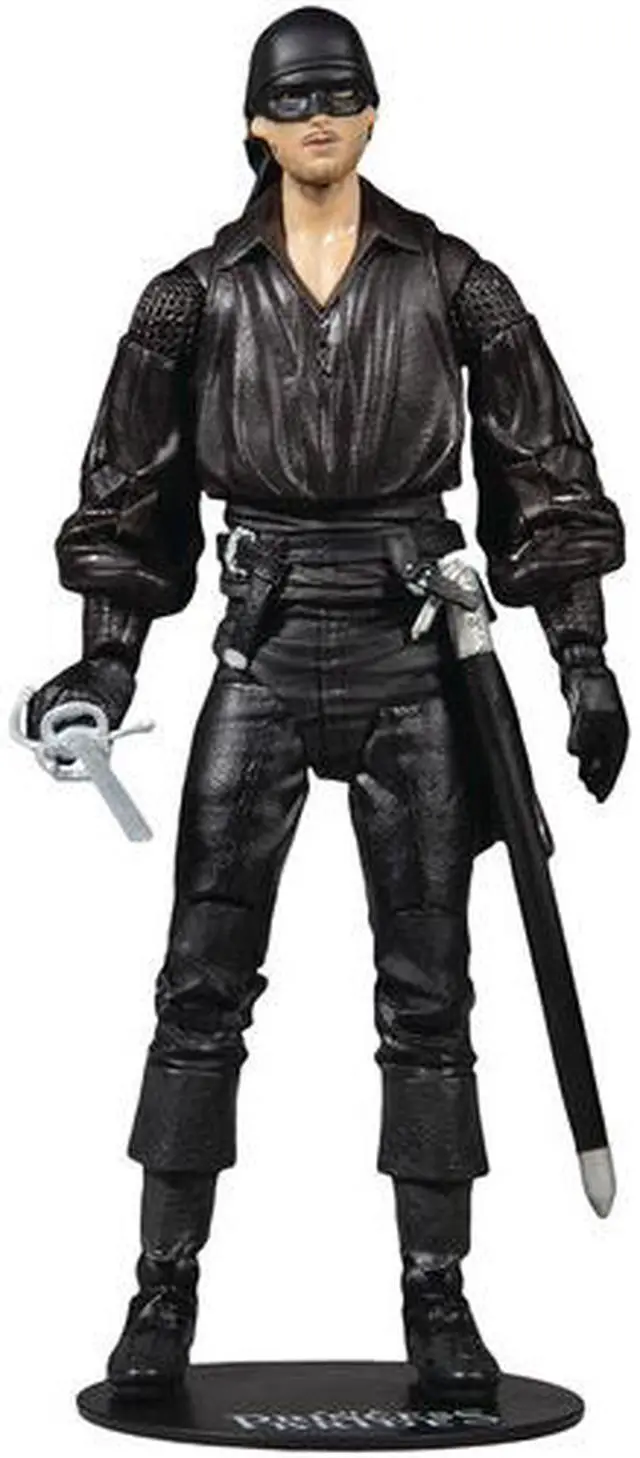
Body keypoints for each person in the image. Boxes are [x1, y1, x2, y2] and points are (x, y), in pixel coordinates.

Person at [27, 6, 628, 1400]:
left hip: (418, 650)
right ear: (255, 121)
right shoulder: (190, 298)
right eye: (292, 98)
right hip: (264, 644)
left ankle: (439, 1300)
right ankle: (161, 1291)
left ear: (372, 112)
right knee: (199, 982)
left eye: (339, 94)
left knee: (431, 991)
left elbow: (543, 465)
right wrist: (106, 661)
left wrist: (582, 655)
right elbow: (127, 492)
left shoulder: (458, 282)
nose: (317, 117)